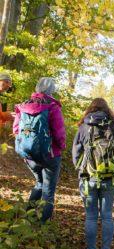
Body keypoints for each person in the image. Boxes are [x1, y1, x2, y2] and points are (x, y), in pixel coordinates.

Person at [72, 98, 114, 249]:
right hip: (110, 177)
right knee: (107, 216)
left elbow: (76, 153)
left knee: (91, 216)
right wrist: (113, 168)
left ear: (91, 108)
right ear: (107, 109)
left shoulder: (83, 126)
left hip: (89, 178)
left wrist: (81, 168)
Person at [13, 77, 66, 223]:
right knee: (48, 191)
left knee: (39, 184)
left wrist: (24, 148)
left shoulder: (23, 106)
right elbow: (59, 133)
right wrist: (61, 148)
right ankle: (43, 225)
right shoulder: (53, 107)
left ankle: (26, 219)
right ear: (52, 90)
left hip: (29, 154)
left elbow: (16, 129)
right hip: (50, 154)